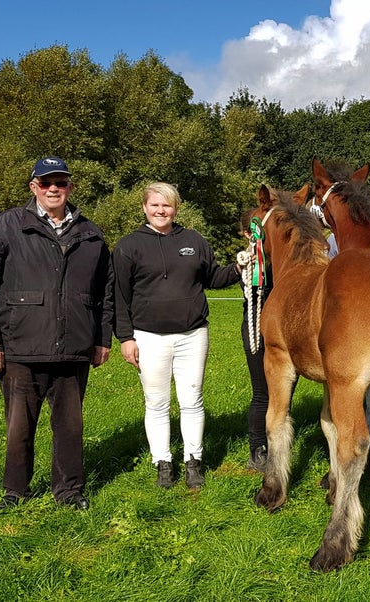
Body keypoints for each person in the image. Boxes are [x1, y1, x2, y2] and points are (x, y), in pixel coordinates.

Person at [0, 157, 114, 515]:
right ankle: (15, 490)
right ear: (34, 187)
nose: (53, 189)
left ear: (70, 187)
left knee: (70, 427)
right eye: (46, 183)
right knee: (18, 426)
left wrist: (102, 338)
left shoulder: (90, 233)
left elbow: (105, 292)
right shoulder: (6, 226)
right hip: (20, 345)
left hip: (74, 346)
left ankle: (69, 491)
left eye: (60, 182)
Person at [113, 182, 241, 489]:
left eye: (167, 205)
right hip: (148, 337)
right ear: (144, 207)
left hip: (193, 334)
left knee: (192, 400)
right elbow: (119, 296)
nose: (161, 210)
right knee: (156, 403)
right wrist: (126, 338)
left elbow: (213, 277)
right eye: (155, 205)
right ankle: (163, 463)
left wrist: (240, 266)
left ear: (176, 208)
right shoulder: (128, 246)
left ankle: (193, 461)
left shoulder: (193, 240)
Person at [238, 211, 272, 472]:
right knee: (262, 392)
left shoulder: (277, 258)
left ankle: (278, 444)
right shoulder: (247, 260)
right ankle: (257, 450)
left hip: (278, 329)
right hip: (255, 326)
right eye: (254, 231)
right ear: (247, 234)